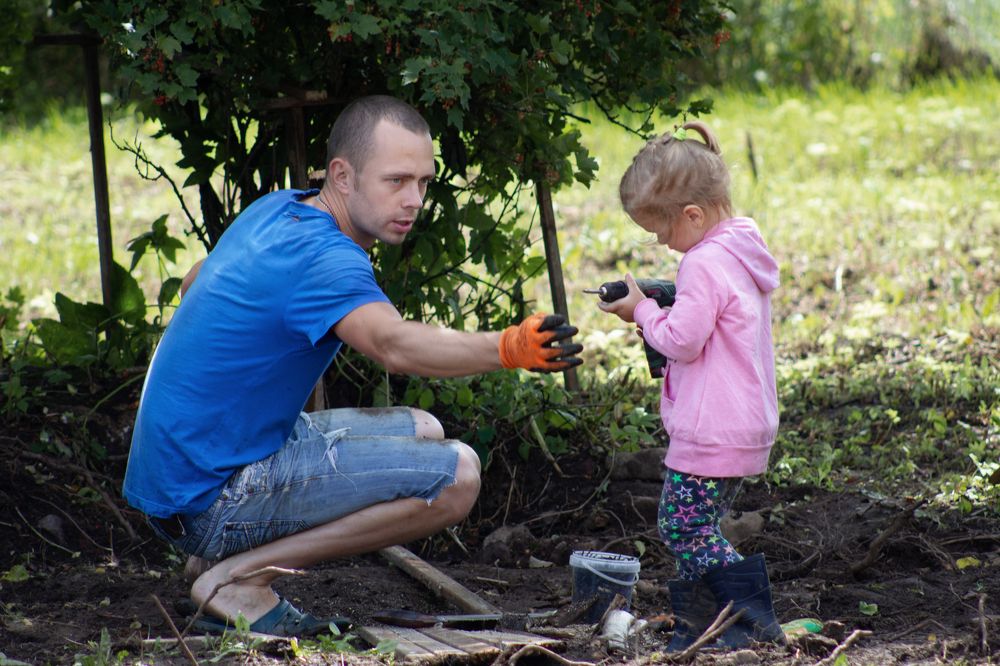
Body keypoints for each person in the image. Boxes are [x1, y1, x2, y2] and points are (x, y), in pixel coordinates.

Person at [122, 95, 583, 637]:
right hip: (210, 498)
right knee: (457, 476)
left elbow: (195, 281)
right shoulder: (326, 259)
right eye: (396, 181)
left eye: (424, 183)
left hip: (180, 473)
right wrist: (509, 348)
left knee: (425, 429)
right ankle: (238, 579)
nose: (414, 200)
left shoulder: (278, 210)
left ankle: (211, 557)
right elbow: (393, 345)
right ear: (342, 175)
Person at [597, 121, 783, 650]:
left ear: (693, 215)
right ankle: (706, 629)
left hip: (712, 425)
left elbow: (682, 340)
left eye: (661, 231)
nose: (661, 242)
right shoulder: (740, 247)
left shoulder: (703, 261)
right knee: (696, 526)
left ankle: (752, 621)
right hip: (744, 421)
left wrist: (641, 311)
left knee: (682, 528)